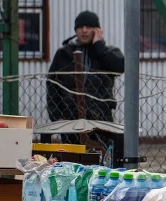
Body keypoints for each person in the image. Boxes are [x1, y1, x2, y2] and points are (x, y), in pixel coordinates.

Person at [47, 10, 125, 158]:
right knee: (71, 159)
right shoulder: (64, 54)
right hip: (71, 118)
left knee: (102, 158)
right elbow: (52, 83)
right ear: (75, 30)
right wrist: (56, 114)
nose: (84, 30)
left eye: (88, 26)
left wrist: (99, 46)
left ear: (97, 30)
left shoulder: (107, 52)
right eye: (80, 27)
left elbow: (120, 66)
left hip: (100, 118)